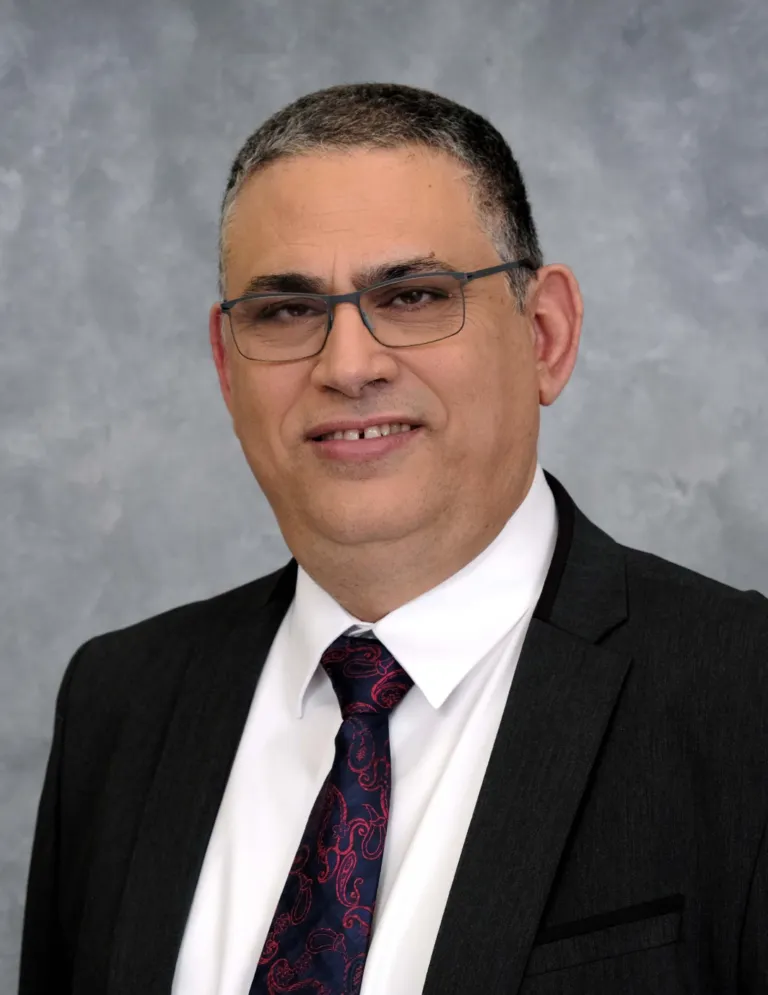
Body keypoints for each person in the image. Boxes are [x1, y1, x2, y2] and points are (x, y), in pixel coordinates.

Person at [18, 81, 768, 995]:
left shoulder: (744, 697)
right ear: (226, 363)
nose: (348, 365)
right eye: (287, 310)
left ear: (544, 335)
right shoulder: (119, 703)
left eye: (413, 295)